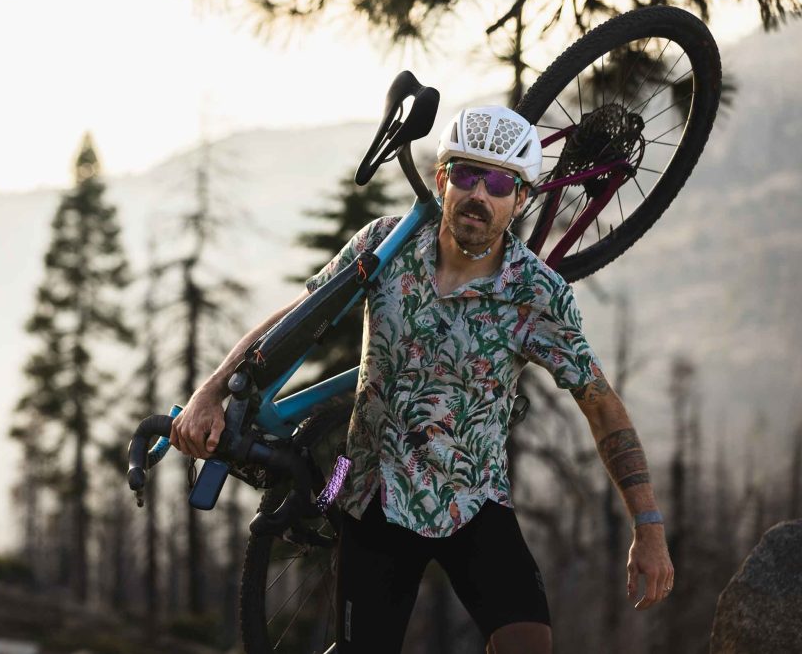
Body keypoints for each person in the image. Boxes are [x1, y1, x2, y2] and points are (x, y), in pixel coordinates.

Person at [169, 106, 673, 654]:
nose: (481, 193)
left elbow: (602, 406)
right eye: (466, 174)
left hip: (474, 500)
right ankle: (324, 500)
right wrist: (211, 391)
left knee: (528, 644)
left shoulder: (538, 294)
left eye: (501, 182)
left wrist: (647, 525)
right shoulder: (387, 245)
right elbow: (298, 317)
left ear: (520, 199)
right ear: (441, 179)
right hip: (369, 494)